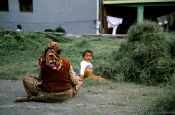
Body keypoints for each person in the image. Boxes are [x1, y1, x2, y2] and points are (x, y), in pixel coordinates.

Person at [16, 42, 83, 102]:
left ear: (46, 52)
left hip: (47, 94)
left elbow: (40, 80)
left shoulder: (43, 63)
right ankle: (71, 93)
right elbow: (75, 82)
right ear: (59, 52)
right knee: (80, 80)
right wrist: (76, 78)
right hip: (66, 94)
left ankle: (35, 96)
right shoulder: (67, 63)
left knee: (26, 78)